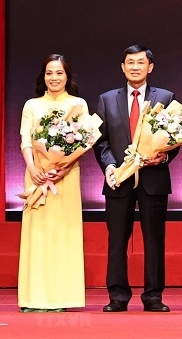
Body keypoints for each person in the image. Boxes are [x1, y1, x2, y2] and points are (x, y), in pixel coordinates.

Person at [94, 45, 178, 312]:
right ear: (122, 67)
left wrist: (163, 157)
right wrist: (109, 167)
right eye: (130, 62)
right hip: (119, 179)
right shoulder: (107, 99)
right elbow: (102, 142)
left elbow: (175, 138)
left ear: (150, 67)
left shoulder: (166, 97)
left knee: (154, 239)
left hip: (153, 178)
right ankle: (117, 296)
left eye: (140, 63)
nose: (135, 67)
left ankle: (153, 296)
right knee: (117, 239)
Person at [18, 54, 87, 312]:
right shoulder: (32, 105)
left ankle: (61, 299)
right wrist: (33, 168)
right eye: (49, 73)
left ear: (67, 76)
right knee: (38, 236)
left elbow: (83, 142)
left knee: (62, 236)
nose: (54, 78)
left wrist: (64, 165)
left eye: (59, 72)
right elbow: (26, 140)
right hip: (37, 176)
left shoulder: (78, 104)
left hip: (66, 178)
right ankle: (33, 298)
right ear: (43, 77)